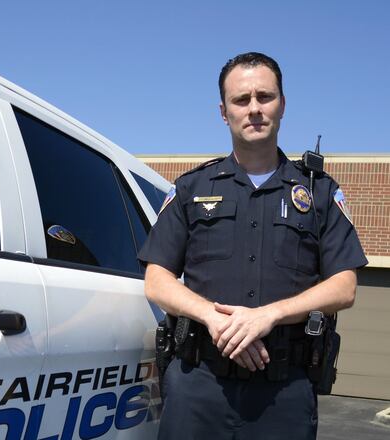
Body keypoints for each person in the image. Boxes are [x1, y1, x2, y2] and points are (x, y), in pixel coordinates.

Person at [137, 52, 367, 439]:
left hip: (285, 392)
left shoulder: (318, 192)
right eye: (241, 100)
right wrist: (216, 318)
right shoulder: (192, 188)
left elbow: (344, 287)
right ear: (224, 112)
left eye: (265, 97)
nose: (254, 109)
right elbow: (156, 281)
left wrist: (269, 315)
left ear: (283, 104)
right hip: (198, 385)